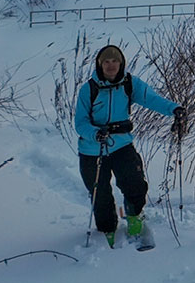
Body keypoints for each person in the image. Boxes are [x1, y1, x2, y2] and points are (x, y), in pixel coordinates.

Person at [74, 44, 186, 247]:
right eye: (106, 62)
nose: (111, 65)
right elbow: (80, 123)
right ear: (100, 65)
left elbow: (151, 99)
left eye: (114, 61)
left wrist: (174, 109)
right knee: (100, 194)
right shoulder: (89, 89)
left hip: (121, 145)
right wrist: (95, 133)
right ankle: (107, 229)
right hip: (92, 150)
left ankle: (133, 215)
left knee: (134, 183)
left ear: (121, 63)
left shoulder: (129, 84)